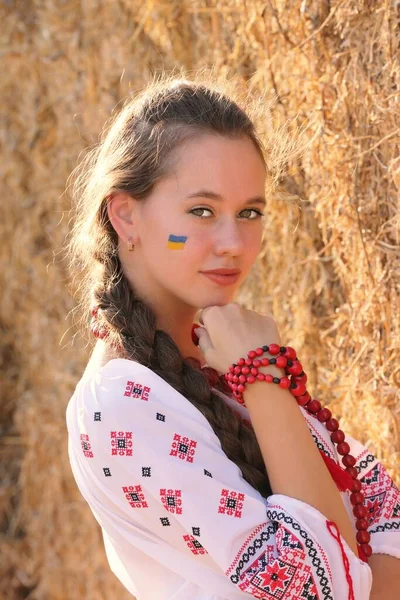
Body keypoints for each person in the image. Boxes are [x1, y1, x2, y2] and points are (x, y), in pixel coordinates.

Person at [65, 73, 399, 599]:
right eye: (201, 211)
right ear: (126, 216)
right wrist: (262, 377)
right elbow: (325, 589)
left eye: (250, 212)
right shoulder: (121, 403)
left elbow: (376, 500)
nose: (234, 244)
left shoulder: (215, 353)